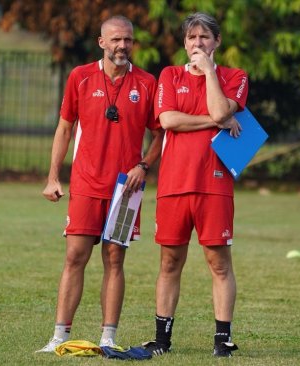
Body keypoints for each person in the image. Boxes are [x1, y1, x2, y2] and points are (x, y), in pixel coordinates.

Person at [36, 15, 164, 353]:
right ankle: (59, 336)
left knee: (114, 258)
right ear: (102, 42)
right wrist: (53, 176)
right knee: (75, 257)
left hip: (126, 189)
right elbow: (64, 129)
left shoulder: (148, 83)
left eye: (128, 40)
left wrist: (143, 165)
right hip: (85, 184)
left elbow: (160, 134)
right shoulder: (79, 77)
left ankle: (108, 337)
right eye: (116, 39)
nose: (123, 46)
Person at [142, 12, 248, 358]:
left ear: (216, 42)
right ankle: (162, 339)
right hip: (173, 184)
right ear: (184, 43)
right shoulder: (170, 75)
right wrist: (213, 121)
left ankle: (223, 340)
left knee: (218, 263)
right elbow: (168, 120)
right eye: (191, 39)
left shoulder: (235, 77)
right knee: (169, 263)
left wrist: (211, 75)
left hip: (214, 185)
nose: (197, 44)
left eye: (204, 38)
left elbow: (221, 111)